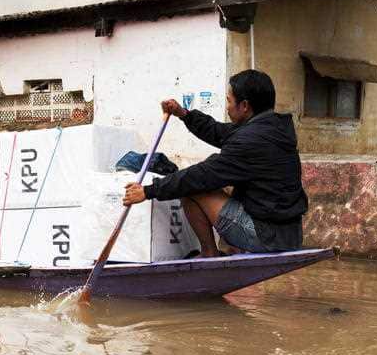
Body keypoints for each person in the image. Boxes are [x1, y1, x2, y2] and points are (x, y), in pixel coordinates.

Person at [123, 69, 308, 257]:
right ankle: (230, 248)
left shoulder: (248, 140)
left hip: (266, 237)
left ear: (244, 105)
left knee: (192, 188)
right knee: (217, 183)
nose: (227, 107)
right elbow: (219, 132)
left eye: (229, 101)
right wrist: (184, 114)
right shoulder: (275, 127)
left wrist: (148, 191)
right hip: (290, 234)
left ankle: (209, 253)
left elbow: (200, 176)